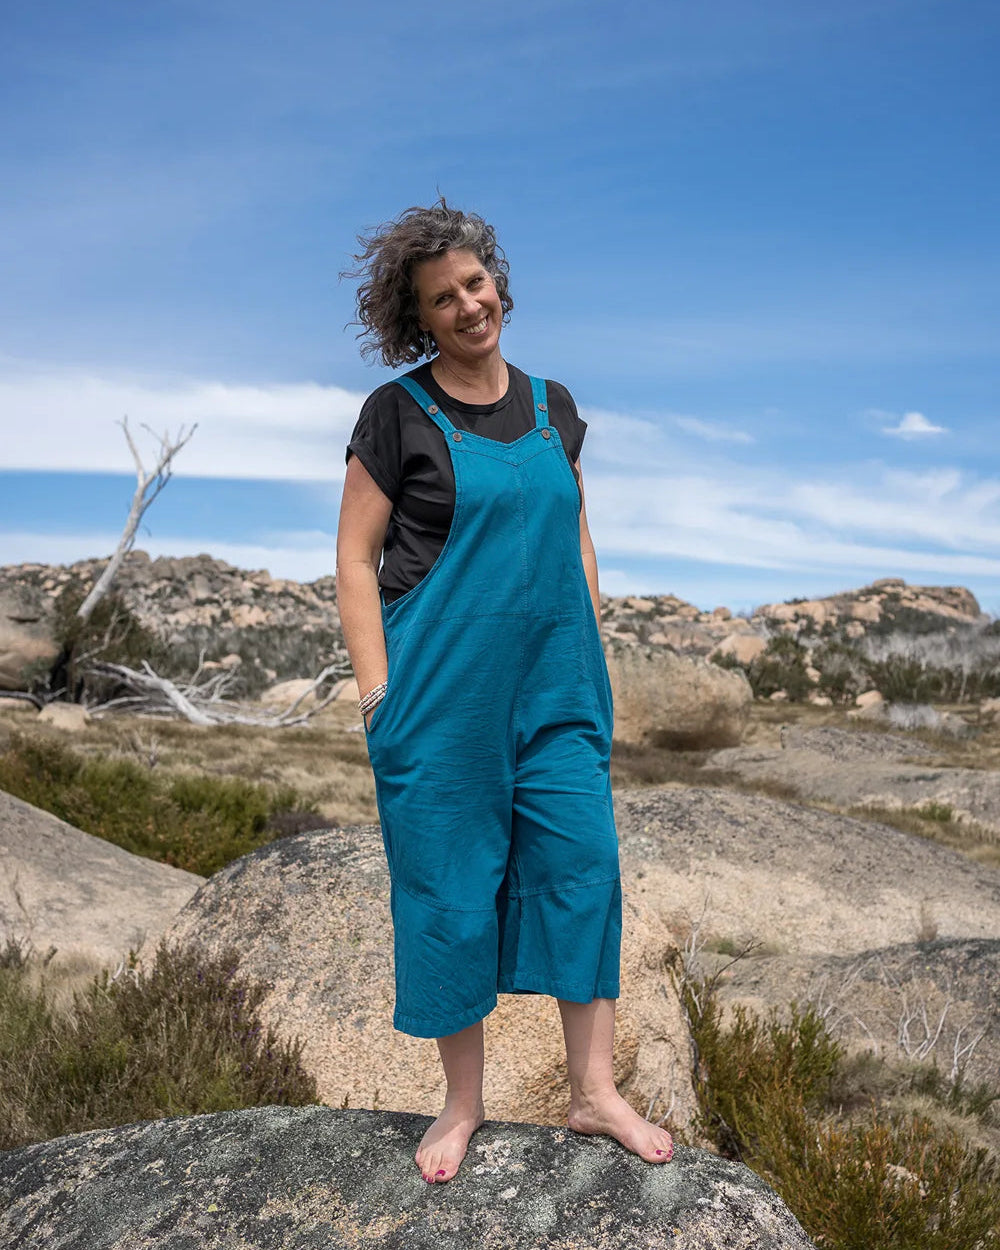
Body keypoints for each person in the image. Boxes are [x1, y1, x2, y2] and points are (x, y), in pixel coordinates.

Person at [336, 198, 674, 1184]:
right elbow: (355, 558)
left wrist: (593, 631)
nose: (467, 304)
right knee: (449, 890)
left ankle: (591, 1090)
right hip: (439, 697)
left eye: (475, 283)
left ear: (498, 283)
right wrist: (375, 695)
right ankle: (463, 1103)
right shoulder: (395, 414)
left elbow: (570, 527)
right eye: (443, 298)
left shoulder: (553, 405)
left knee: (584, 866)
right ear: (421, 318)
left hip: (555, 691)